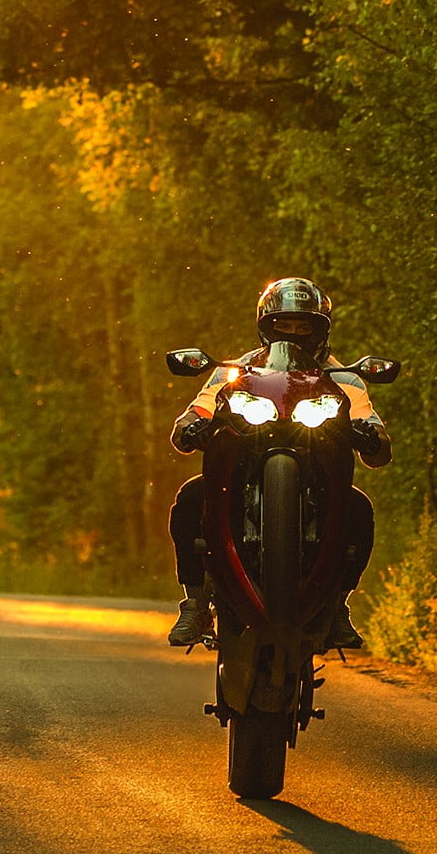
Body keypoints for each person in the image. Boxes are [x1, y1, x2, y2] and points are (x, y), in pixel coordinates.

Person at [165, 276, 390, 649]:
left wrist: (370, 435)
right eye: (283, 326)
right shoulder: (233, 372)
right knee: (192, 497)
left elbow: (379, 444)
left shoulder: (345, 377)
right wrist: (193, 428)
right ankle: (197, 602)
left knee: (358, 507)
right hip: (241, 474)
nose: (294, 334)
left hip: (316, 480)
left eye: (304, 327)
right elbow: (190, 418)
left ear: (321, 331)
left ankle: (336, 607)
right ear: (265, 328)